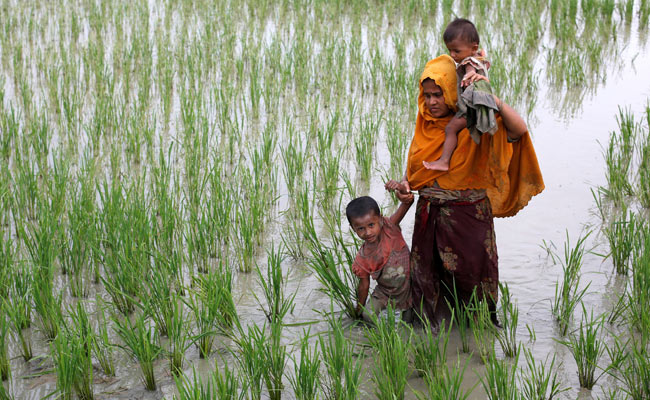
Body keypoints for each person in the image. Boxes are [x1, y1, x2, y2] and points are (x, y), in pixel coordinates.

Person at [400, 54, 545, 326]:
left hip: (468, 219)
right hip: (428, 218)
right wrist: (405, 188)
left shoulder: (477, 124)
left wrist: (494, 101)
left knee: (470, 277)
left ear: (454, 92)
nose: (431, 102)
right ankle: (430, 332)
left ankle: (475, 333)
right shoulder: (426, 127)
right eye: (427, 95)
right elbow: (415, 172)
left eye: (439, 95)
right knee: (426, 280)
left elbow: (519, 130)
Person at [423, 18, 498, 172]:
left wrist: (469, 75)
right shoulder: (479, 57)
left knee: (450, 129)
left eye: (456, 51)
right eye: (450, 50)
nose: (452, 55)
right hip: (477, 106)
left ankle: (444, 160)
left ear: (473, 47)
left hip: (470, 110)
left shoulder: (469, 62)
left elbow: (470, 69)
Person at [346, 190, 414, 322]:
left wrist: (404, 192)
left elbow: (407, 204)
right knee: (367, 315)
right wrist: (359, 310)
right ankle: (382, 338)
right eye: (360, 228)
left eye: (371, 225)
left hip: (409, 290)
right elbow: (364, 286)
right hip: (385, 294)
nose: (367, 232)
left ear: (381, 219)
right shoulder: (362, 258)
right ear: (353, 228)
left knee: (410, 323)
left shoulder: (390, 227)